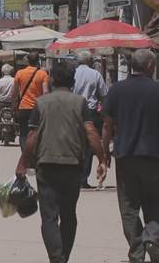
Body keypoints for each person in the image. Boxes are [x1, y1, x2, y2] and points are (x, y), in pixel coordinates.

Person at [16, 63, 107, 263]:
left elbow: (32, 136)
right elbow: (91, 132)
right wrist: (102, 159)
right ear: (72, 82)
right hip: (73, 166)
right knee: (69, 215)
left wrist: (23, 162)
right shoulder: (80, 102)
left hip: (46, 165)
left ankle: (57, 258)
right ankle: (62, 258)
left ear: (52, 81)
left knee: (49, 217)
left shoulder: (41, 103)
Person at [102, 49, 159, 263]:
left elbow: (107, 125)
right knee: (155, 204)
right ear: (150, 67)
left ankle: (136, 253)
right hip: (154, 158)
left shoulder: (117, 90)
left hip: (125, 157)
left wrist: (104, 153)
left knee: (129, 208)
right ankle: (153, 238)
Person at [73, 50, 108, 189]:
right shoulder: (95, 74)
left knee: (75, 143)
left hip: (73, 110)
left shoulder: (73, 73)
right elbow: (104, 94)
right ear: (89, 61)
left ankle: (74, 176)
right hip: (90, 112)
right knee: (89, 145)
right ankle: (83, 179)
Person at [13, 51, 50, 152]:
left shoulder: (19, 73)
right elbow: (46, 92)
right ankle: (36, 153)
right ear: (38, 61)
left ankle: (25, 155)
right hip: (38, 108)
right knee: (38, 132)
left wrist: (14, 106)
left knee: (24, 133)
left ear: (27, 61)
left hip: (23, 108)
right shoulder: (43, 74)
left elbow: (15, 93)